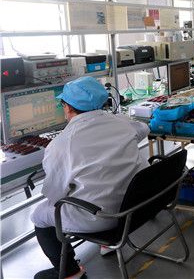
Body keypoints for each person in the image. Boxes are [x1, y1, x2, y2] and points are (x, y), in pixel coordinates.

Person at [31, 77, 150, 279]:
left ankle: (69, 272)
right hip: (137, 204)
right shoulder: (121, 122)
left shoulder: (62, 145)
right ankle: (107, 245)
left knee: (40, 215)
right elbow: (144, 129)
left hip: (103, 218)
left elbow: (54, 194)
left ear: (68, 107)